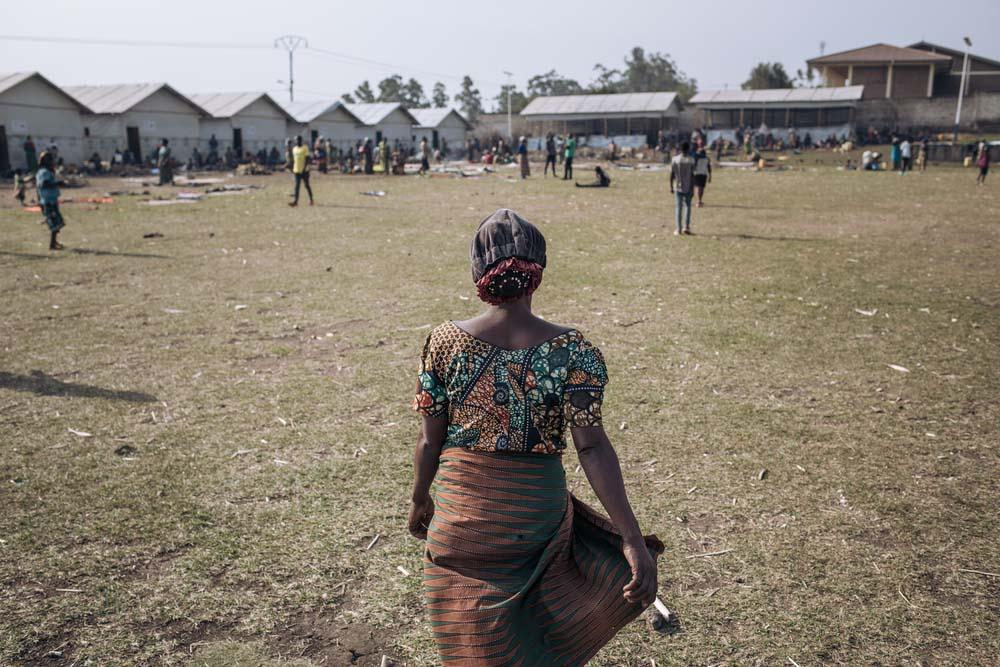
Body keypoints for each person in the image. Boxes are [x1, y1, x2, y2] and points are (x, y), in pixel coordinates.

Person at [409, 209, 663, 666]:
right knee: (535, 637)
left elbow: (431, 442)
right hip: (535, 521)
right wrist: (631, 539)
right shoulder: (574, 351)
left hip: (461, 522)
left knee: (474, 647)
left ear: (477, 273)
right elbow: (591, 446)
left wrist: (420, 500)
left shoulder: (442, 342)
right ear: (537, 274)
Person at [35, 152, 65, 250]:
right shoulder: (44, 172)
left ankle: (54, 242)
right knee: (54, 223)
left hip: (51, 200)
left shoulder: (45, 171)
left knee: (56, 222)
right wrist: (57, 183)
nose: (52, 162)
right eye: (50, 160)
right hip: (48, 202)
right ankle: (52, 244)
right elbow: (44, 184)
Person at [670, 141, 695, 235]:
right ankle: (687, 227)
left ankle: (678, 229)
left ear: (680, 149)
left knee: (678, 208)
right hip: (688, 186)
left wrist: (671, 186)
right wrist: (692, 188)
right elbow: (692, 175)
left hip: (678, 186)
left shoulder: (675, 159)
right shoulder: (691, 160)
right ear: (688, 149)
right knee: (688, 206)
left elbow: (672, 174)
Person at [288, 135, 314, 206]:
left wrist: (304, 168)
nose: (297, 141)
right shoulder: (294, 149)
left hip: (304, 171)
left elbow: (307, 159)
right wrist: (292, 168)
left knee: (307, 185)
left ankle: (311, 199)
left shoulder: (305, 148)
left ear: (301, 140)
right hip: (296, 170)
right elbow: (294, 160)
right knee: (297, 186)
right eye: (296, 140)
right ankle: (295, 201)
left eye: (298, 140)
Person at [692, 141, 712, 207]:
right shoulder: (707, 159)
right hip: (704, 174)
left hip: (697, 174)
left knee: (697, 188)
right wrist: (710, 176)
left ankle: (697, 201)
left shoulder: (697, 158)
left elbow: (694, 165)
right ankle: (699, 200)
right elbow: (709, 167)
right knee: (701, 188)